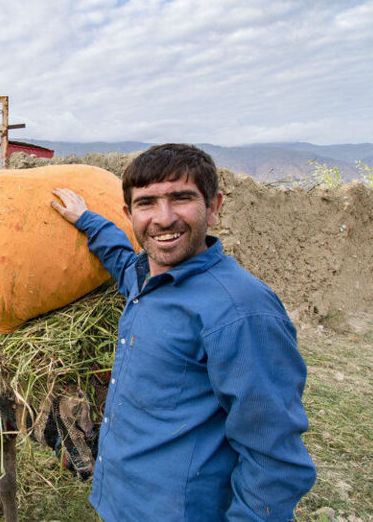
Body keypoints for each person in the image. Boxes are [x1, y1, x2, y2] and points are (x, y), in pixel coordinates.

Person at [50, 144, 315, 521]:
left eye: (182, 198)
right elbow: (122, 259)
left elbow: (272, 455)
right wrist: (87, 219)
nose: (164, 218)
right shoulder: (146, 280)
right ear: (130, 214)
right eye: (146, 203)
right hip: (121, 501)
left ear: (214, 206)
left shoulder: (239, 311)